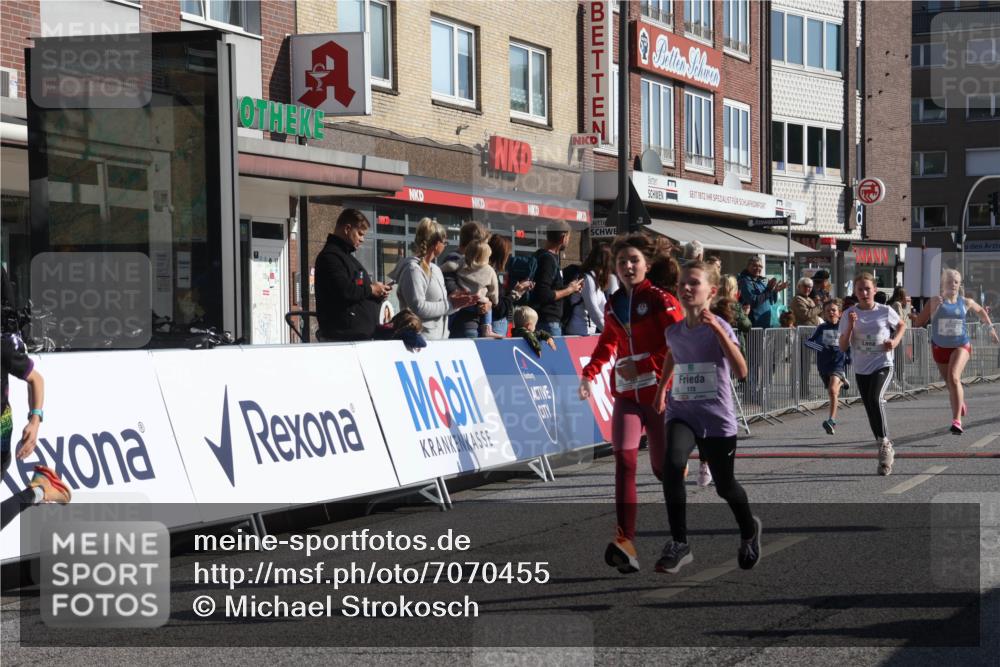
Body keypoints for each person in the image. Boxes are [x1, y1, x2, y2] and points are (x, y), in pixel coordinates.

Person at [578, 234, 683, 573]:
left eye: (634, 260)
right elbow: (608, 342)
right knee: (624, 461)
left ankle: (679, 539)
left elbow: (679, 344)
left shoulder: (660, 299)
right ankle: (625, 541)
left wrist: (645, 365)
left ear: (647, 264)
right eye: (621, 261)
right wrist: (589, 373)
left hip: (659, 396)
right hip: (627, 397)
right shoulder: (614, 303)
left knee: (664, 472)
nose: (627, 266)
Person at [652, 261, 760, 574]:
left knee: (725, 486)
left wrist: (717, 331)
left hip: (716, 418)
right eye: (682, 284)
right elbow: (674, 353)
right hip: (682, 412)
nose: (686, 288)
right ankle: (679, 543)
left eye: (694, 283)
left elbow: (741, 371)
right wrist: (661, 390)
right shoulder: (673, 331)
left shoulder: (721, 327)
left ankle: (749, 530)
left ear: (711, 292)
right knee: (673, 466)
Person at [1, 269, 70, 529]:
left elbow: (36, 380)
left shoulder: (4, 346)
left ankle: (39, 490)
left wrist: (35, 420)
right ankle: (39, 489)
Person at [912, 268, 998, 434]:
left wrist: (991, 329)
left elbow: (981, 311)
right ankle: (960, 402)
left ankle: (957, 421)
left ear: (959, 285)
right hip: (939, 347)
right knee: (950, 384)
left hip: (961, 345)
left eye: (956, 282)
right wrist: (927, 312)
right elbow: (919, 322)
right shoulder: (935, 301)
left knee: (954, 377)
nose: (953, 285)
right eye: (949, 281)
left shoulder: (965, 302)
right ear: (943, 284)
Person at [838, 272, 907, 475]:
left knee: (875, 399)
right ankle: (882, 446)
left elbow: (901, 325)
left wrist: (894, 341)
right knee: (869, 406)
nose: (864, 293)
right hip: (861, 367)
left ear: (875, 290)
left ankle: (885, 443)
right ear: (855, 292)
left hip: (882, 363)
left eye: (868, 289)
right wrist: (851, 326)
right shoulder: (849, 313)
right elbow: (842, 346)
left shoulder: (884, 310)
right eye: (860, 289)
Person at [392, 217, 478, 340]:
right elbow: (418, 307)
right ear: (437, 244)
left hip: (440, 339)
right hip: (420, 339)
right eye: (445, 242)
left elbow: (443, 307)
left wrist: (456, 302)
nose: (445, 246)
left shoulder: (436, 269)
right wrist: (450, 304)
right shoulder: (413, 269)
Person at [314, 209, 391, 342]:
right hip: (342, 340)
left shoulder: (347, 257)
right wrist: (372, 289)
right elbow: (345, 291)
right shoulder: (330, 257)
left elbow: (357, 291)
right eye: (360, 234)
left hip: (356, 337)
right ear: (347, 229)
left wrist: (377, 294)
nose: (362, 239)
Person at [805, 299, 850, 435]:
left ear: (839, 313)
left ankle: (831, 420)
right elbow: (808, 342)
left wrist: (849, 357)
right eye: (828, 311)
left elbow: (851, 344)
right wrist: (821, 348)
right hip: (824, 366)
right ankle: (842, 382)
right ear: (824, 314)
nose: (831, 312)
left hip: (838, 364)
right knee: (832, 391)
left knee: (832, 390)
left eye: (833, 310)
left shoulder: (844, 327)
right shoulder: (821, 328)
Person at [530, 224, 584, 336]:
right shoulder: (548, 259)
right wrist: (569, 290)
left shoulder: (541, 255)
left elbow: (548, 287)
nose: (568, 241)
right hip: (547, 322)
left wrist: (569, 287)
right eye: (568, 238)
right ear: (563, 238)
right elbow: (544, 293)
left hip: (543, 321)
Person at [442, 221, 490, 339]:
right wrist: (474, 301)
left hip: (472, 321)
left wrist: (487, 303)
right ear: (475, 244)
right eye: (484, 245)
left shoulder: (474, 262)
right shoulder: (455, 259)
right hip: (462, 322)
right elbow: (451, 287)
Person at [567, 243, 618, 336]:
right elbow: (593, 311)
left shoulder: (596, 280)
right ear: (606, 262)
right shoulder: (587, 279)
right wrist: (613, 333)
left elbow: (605, 309)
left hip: (588, 333)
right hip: (578, 332)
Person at [488, 234, 533, 337]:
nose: (509, 258)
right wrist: (516, 292)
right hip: (495, 326)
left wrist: (517, 290)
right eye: (508, 254)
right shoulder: (490, 273)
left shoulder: (491, 272)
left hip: (496, 325)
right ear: (502, 255)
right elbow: (499, 308)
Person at [456, 241, 501, 338]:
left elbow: (449, 266)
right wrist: (494, 301)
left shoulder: (461, 264)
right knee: (487, 303)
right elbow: (494, 290)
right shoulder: (489, 270)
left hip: (461, 302)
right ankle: (487, 329)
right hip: (479, 302)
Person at [738, 257, 789, 328]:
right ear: (748, 266)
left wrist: (775, 291)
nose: (758, 268)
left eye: (760, 266)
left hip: (765, 324)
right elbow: (754, 302)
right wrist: (769, 290)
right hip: (753, 326)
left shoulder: (761, 281)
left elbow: (770, 301)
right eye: (755, 265)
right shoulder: (745, 282)